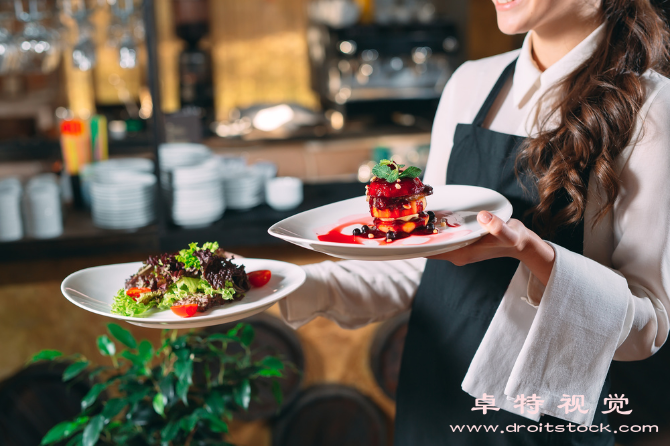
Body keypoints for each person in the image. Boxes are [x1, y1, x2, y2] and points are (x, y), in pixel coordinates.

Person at [280, 0, 670, 444]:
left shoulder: (652, 108)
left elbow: (646, 329)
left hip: (543, 424)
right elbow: (419, 262)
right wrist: (287, 284)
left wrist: (535, 254)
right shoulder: (471, 84)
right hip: (434, 398)